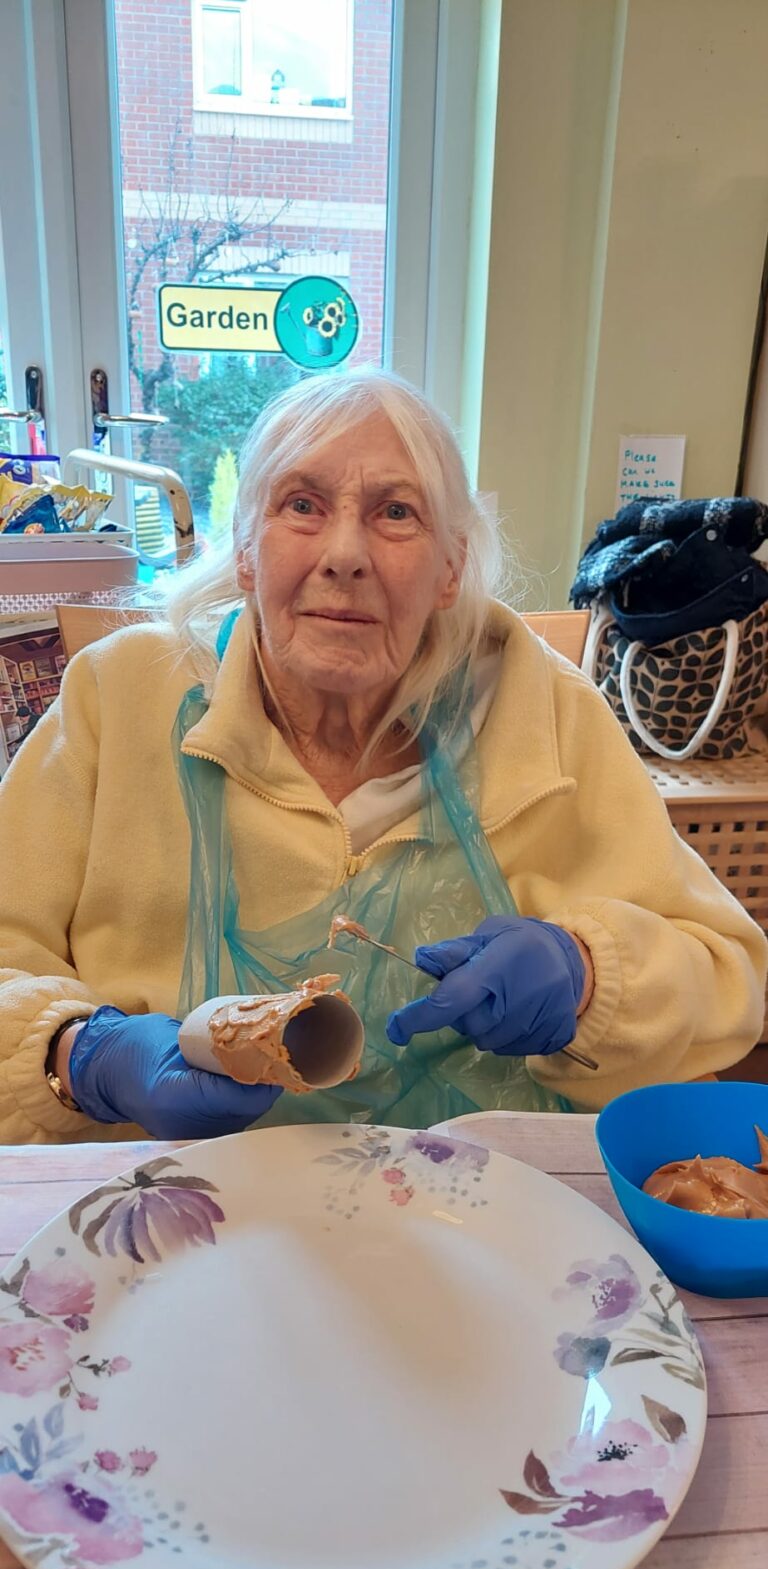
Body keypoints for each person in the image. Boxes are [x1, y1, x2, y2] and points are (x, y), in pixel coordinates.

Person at [0, 368, 765, 1145]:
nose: (345, 555)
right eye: (302, 505)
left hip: (479, 1193)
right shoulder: (120, 695)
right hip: (163, 1192)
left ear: (451, 567)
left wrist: (588, 973)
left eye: (396, 512)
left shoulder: (549, 713)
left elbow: (726, 978)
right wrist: (78, 1056)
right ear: (246, 550)